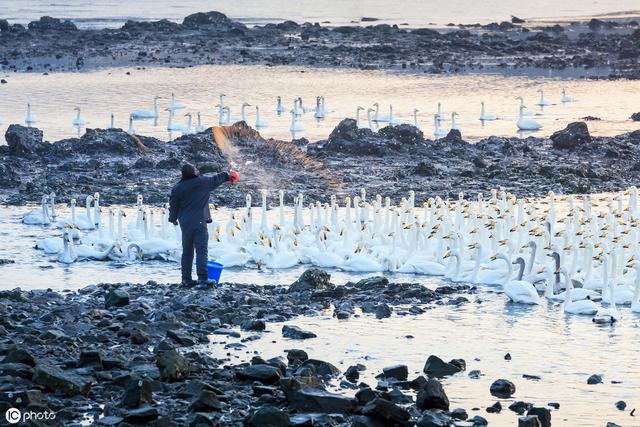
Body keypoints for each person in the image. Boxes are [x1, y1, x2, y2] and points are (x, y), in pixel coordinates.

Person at [168, 163, 239, 287]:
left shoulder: (177, 188)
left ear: (183, 174)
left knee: (187, 251)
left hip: (185, 223)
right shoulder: (203, 182)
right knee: (201, 250)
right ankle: (203, 279)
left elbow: (173, 207)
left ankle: (186, 280)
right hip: (199, 221)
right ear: (194, 172)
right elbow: (217, 178)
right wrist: (230, 175)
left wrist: (173, 219)